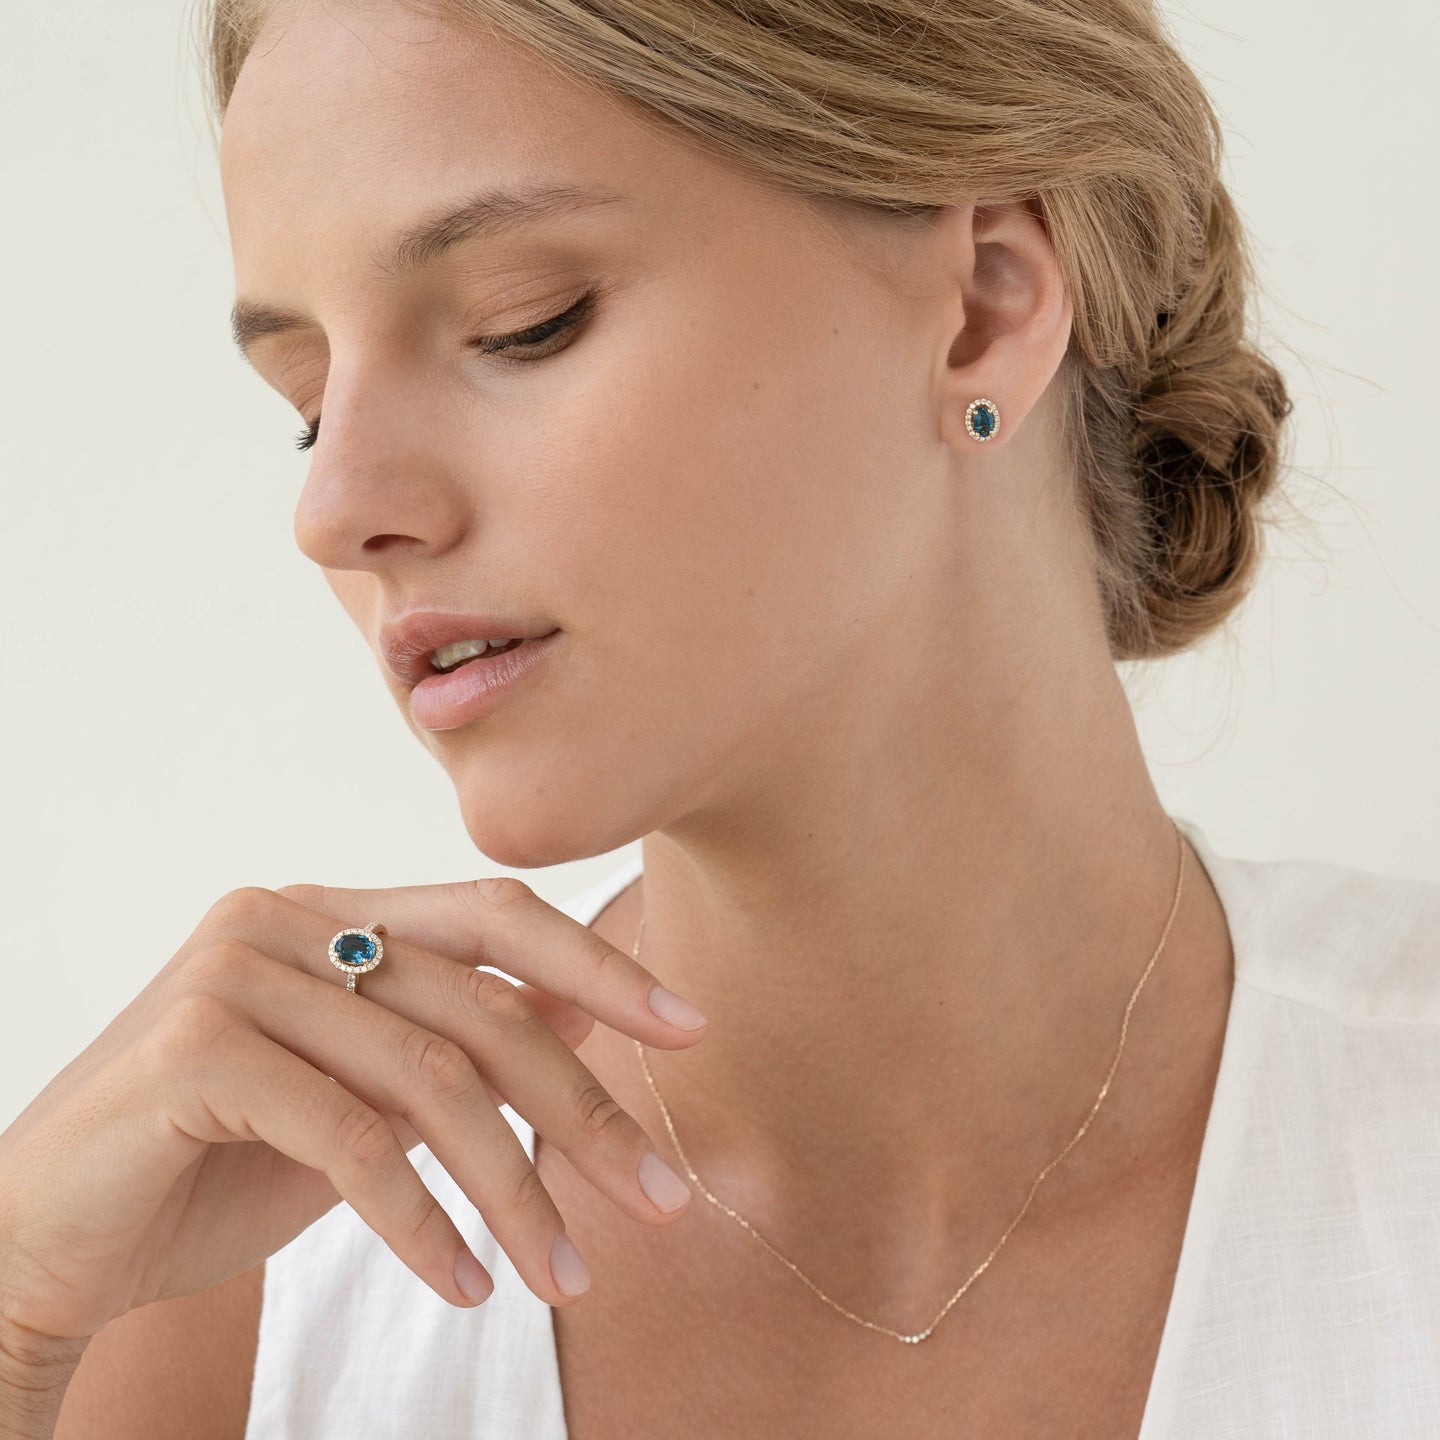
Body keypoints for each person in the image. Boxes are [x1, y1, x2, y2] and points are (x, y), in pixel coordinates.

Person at [1, 0, 1436, 1435]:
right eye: (311, 403)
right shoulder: (227, 1301)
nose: (335, 507)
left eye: (522, 323)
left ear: (985, 310)